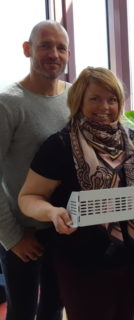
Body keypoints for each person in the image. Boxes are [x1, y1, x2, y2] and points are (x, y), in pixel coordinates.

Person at [18, 67, 134, 320]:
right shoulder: (60, 145)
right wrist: (52, 212)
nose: (104, 107)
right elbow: (28, 198)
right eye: (94, 98)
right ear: (79, 100)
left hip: (132, 258)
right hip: (81, 263)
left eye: (112, 99)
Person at [0, 20, 71, 320]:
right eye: (45, 45)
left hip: (65, 228)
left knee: (54, 309)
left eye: (61, 48)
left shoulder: (75, 96)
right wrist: (12, 237)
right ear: (27, 49)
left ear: (68, 55)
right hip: (24, 232)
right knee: (22, 312)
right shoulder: (8, 104)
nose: (53, 54)